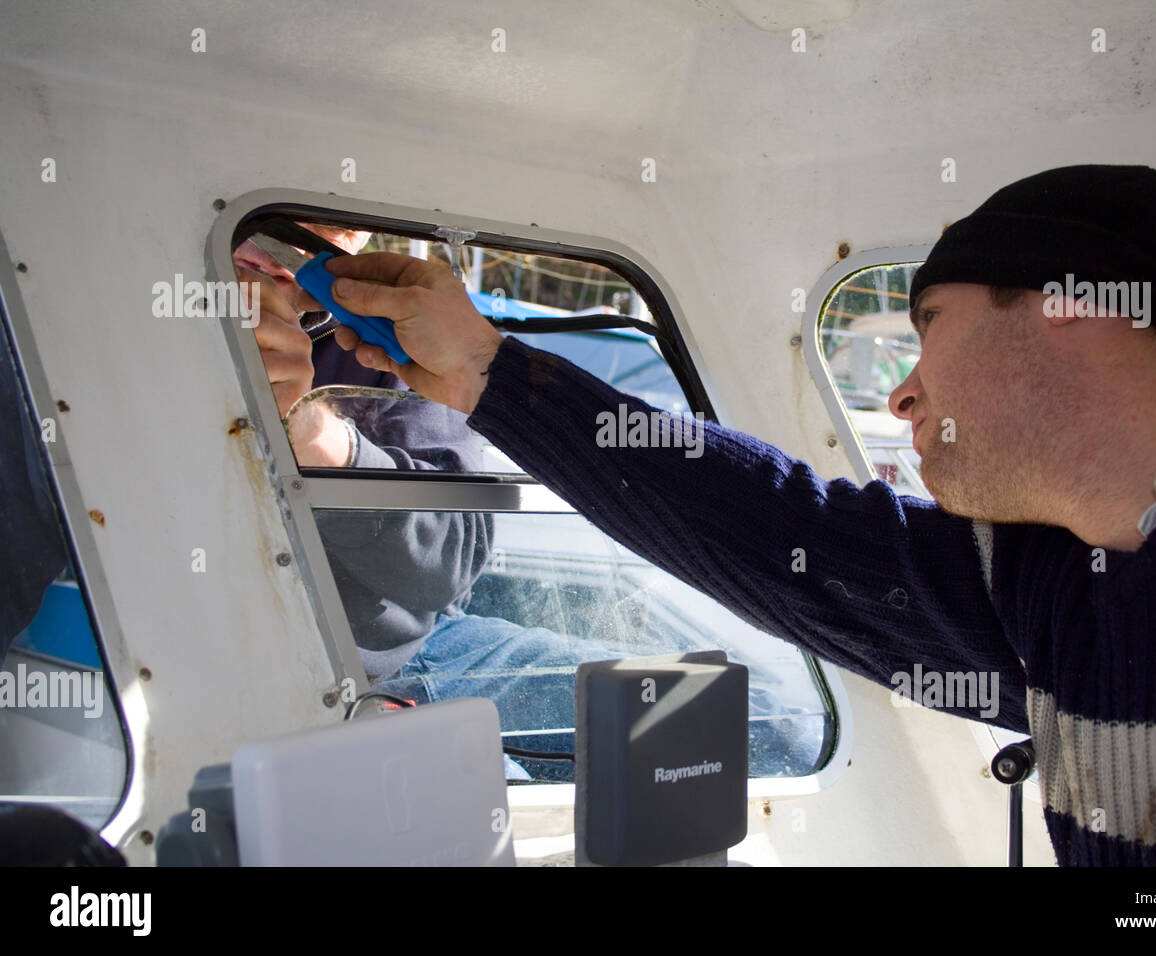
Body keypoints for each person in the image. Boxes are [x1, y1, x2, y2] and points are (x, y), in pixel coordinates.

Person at [320, 164, 1156, 865]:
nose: (904, 394)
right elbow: (772, 529)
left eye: (930, 330)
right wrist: (488, 374)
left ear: (1068, 309)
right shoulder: (1056, 582)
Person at [234, 228, 824, 776]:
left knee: (767, 727)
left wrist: (320, 438)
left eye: (345, 220)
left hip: (407, 658)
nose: (331, 236)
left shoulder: (388, 336)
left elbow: (450, 566)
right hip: (228, 670)